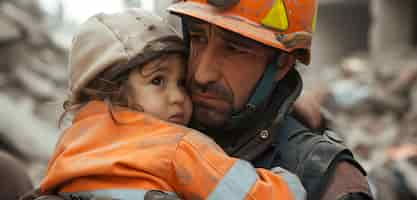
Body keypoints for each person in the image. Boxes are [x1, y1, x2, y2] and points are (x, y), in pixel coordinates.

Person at [25, 0, 373, 199]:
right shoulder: (151, 121)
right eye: (197, 39)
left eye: (234, 49)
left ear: (281, 64)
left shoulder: (324, 176)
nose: (202, 73)